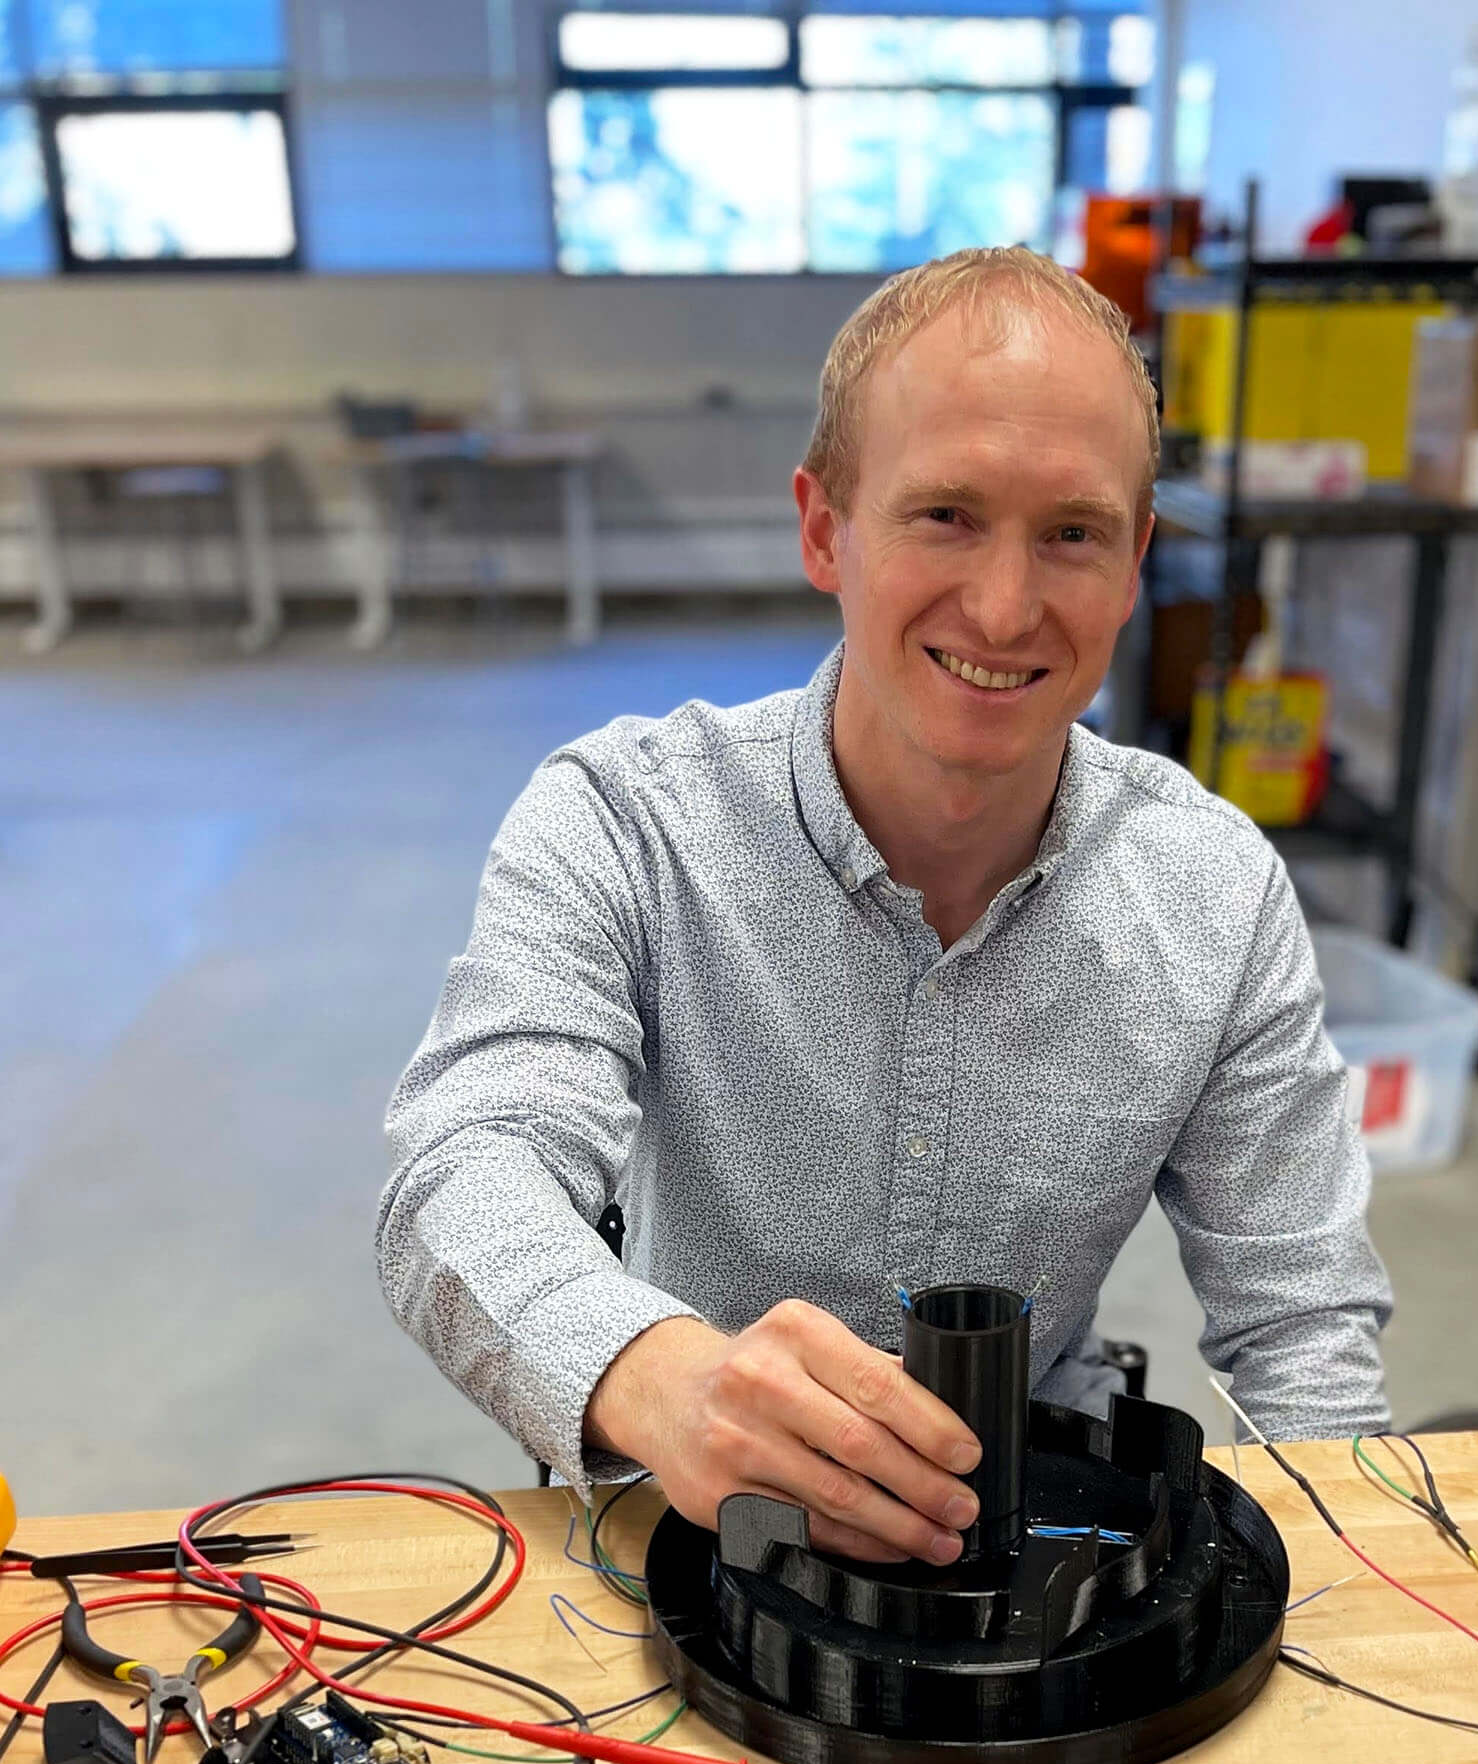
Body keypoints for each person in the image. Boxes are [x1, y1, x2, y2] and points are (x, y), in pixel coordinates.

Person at [378, 246, 1390, 1569]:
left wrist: (1345, 1603)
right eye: (945, 516)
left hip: (1027, 1525)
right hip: (688, 1523)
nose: (1006, 605)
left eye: (1072, 533)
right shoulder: (625, 823)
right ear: (822, 530)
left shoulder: (1215, 894)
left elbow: (1302, 1318)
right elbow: (463, 1166)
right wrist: (661, 1379)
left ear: (1138, 561)